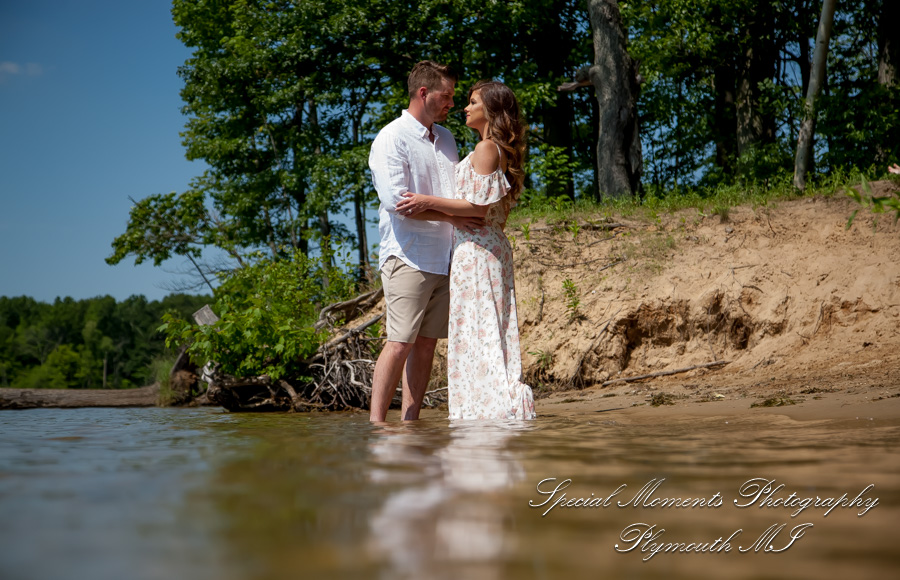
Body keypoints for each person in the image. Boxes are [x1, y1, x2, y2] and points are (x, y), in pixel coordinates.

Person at [396, 80, 536, 420]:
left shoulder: (487, 148)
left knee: (480, 330)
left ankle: (488, 410)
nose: (465, 107)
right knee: (481, 329)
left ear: (491, 109)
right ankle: (484, 409)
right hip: (481, 246)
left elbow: (477, 208)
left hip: (478, 249)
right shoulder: (493, 149)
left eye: (473, 102)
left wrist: (427, 201)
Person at [368, 61, 484, 422]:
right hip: (408, 255)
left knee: (426, 343)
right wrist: (451, 217)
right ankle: (376, 426)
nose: (452, 103)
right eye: (446, 95)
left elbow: (453, 193)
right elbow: (398, 203)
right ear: (423, 93)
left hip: (445, 256)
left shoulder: (446, 138)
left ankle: (410, 424)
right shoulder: (392, 138)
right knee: (399, 342)